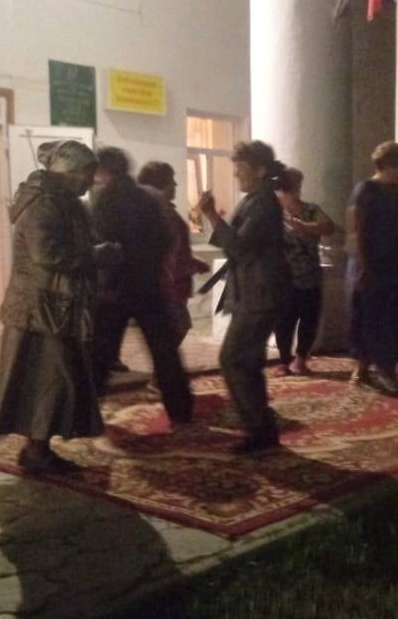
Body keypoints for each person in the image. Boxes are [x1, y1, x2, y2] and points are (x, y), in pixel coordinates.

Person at [0, 140, 122, 473]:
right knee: (50, 380)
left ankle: (38, 447)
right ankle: (36, 451)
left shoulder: (63, 201)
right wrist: (96, 255)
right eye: (88, 174)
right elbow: (47, 254)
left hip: (54, 307)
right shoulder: (44, 203)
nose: (91, 181)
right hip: (39, 309)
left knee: (53, 380)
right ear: (70, 172)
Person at [88, 147, 194, 425]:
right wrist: (151, 266)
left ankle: (86, 413)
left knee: (101, 354)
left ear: (103, 171)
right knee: (165, 352)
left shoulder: (104, 199)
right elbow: (166, 238)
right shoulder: (148, 198)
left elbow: (102, 243)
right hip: (148, 286)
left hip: (115, 288)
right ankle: (180, 409)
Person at [198, 140, 292, 453]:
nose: (237, 175)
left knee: (234, 359)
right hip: (256, 293)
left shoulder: (263, 202)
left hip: (261, 294)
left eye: (241, 169)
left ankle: (259, 429)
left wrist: (212, 216)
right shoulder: (256, 199)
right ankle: (261, 427)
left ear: (260, 170)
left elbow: (239, 246)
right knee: (247, 360)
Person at [345, 141, 398, 393]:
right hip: (371, 267)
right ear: (385, 164)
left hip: (397, 267)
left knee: (396, 320)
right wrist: (362, 268)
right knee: (369, 320)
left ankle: (387, 369)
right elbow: (355, 231)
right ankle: (362, 371)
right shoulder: (364, 191)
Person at [137, 161, 211, 345]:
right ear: (161, 185)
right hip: (170, 289)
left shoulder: (158, 212)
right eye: (172, 180)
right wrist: (189, 266)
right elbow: (170, 256)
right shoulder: (163, 214)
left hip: (168, 287)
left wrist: (193, 262)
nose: (175, 185)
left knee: (174, 332)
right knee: (173, 334)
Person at [274, 167, 336, 376]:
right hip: (283, 276)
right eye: (290, 185)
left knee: (309, 318)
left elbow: (329, 227)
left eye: (297, 184)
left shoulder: (311, 210)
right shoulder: (274, 211)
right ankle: (284, 360)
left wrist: (304, 227)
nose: (295, 190)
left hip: (310, 274)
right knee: (284, 320)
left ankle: (300, 359)